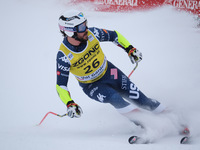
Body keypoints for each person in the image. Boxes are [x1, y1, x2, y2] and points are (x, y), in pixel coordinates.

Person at [56, 9, 166, 120]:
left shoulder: (93, 34)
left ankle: (170, 115)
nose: (86, 29)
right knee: (115, 98)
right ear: (70, 31)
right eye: (81, 27)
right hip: (92, 86)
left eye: (85, 24)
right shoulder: (63, 56)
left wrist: (129, 49)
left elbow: (114, 35)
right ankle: (148, 124)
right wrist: (69, 103)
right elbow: (61, 85)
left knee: (142, 100)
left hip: (111, 72)